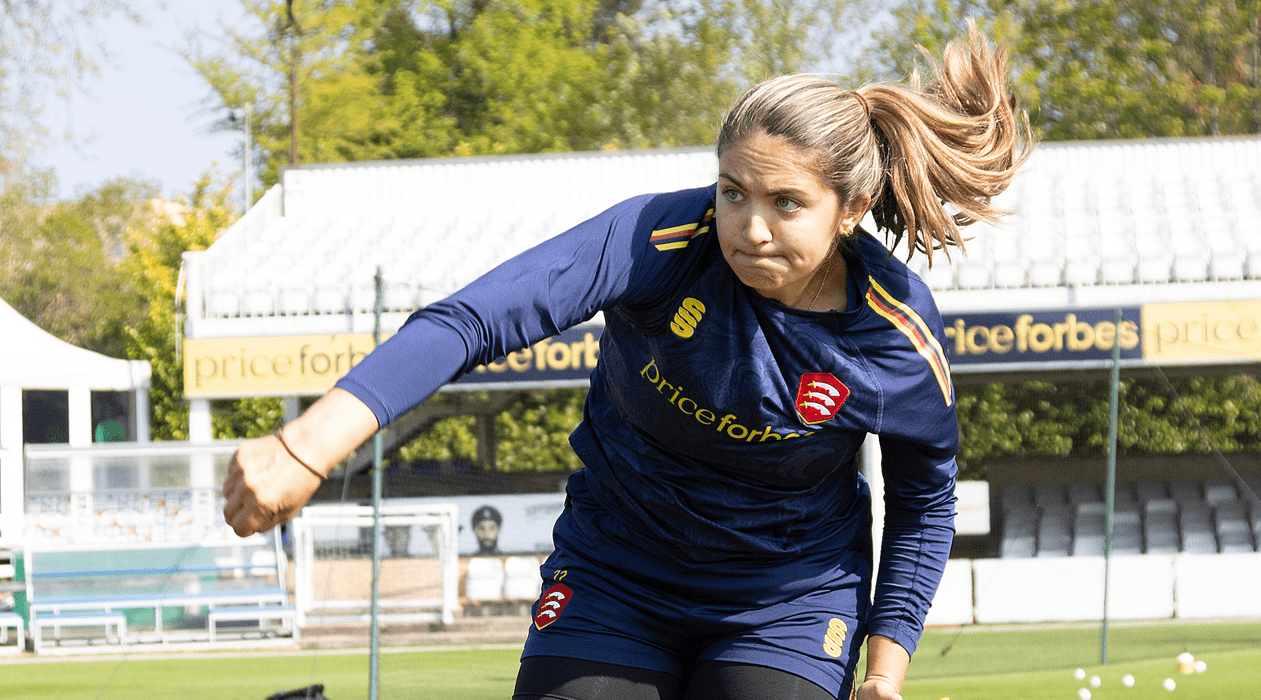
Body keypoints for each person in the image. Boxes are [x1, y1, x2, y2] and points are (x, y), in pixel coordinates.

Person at [222, 23, 1030, 700]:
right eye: (733, 192)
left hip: (786, 600)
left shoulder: (893, 337)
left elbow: (924, 501)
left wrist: (884, 672)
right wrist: (307, 443)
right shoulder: (657, 239)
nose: (749, 227)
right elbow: (476, 319)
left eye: (786, 203)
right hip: (616, 574)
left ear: (852, 209)